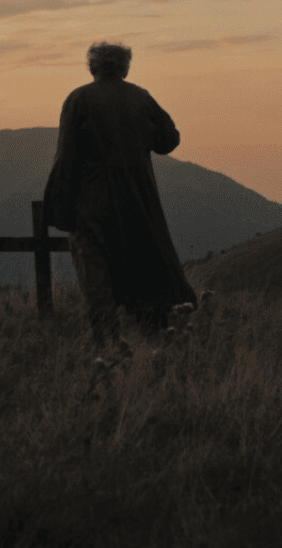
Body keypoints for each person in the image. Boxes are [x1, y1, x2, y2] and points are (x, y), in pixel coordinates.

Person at [43, 41, 197, 348]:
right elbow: (169, 139)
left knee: (95, 275)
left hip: (91, 204)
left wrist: (60, 207)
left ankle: (108, 344)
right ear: (124, 67)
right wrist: (140, 136)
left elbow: (67, 157)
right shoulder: (141, 97)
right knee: (141, 266)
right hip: (137, 200)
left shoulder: (79, 99)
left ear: (93, 67)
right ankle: (155, 337)